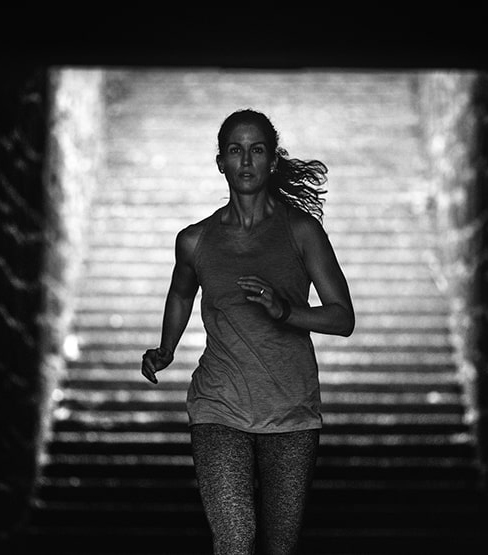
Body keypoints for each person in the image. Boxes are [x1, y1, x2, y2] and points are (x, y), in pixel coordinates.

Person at [141, 108, 355, 555]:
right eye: (235, 151)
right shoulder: (195, 240)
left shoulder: (301, 232)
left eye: (257, 150)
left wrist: (285, 311)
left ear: (272, 160)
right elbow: (181, 294)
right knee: (236, 540)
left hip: (291, 412)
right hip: (218, 408)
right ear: (220, 161)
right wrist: (166, 349)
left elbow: (342, 318)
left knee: (279, 547)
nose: (245, 160)